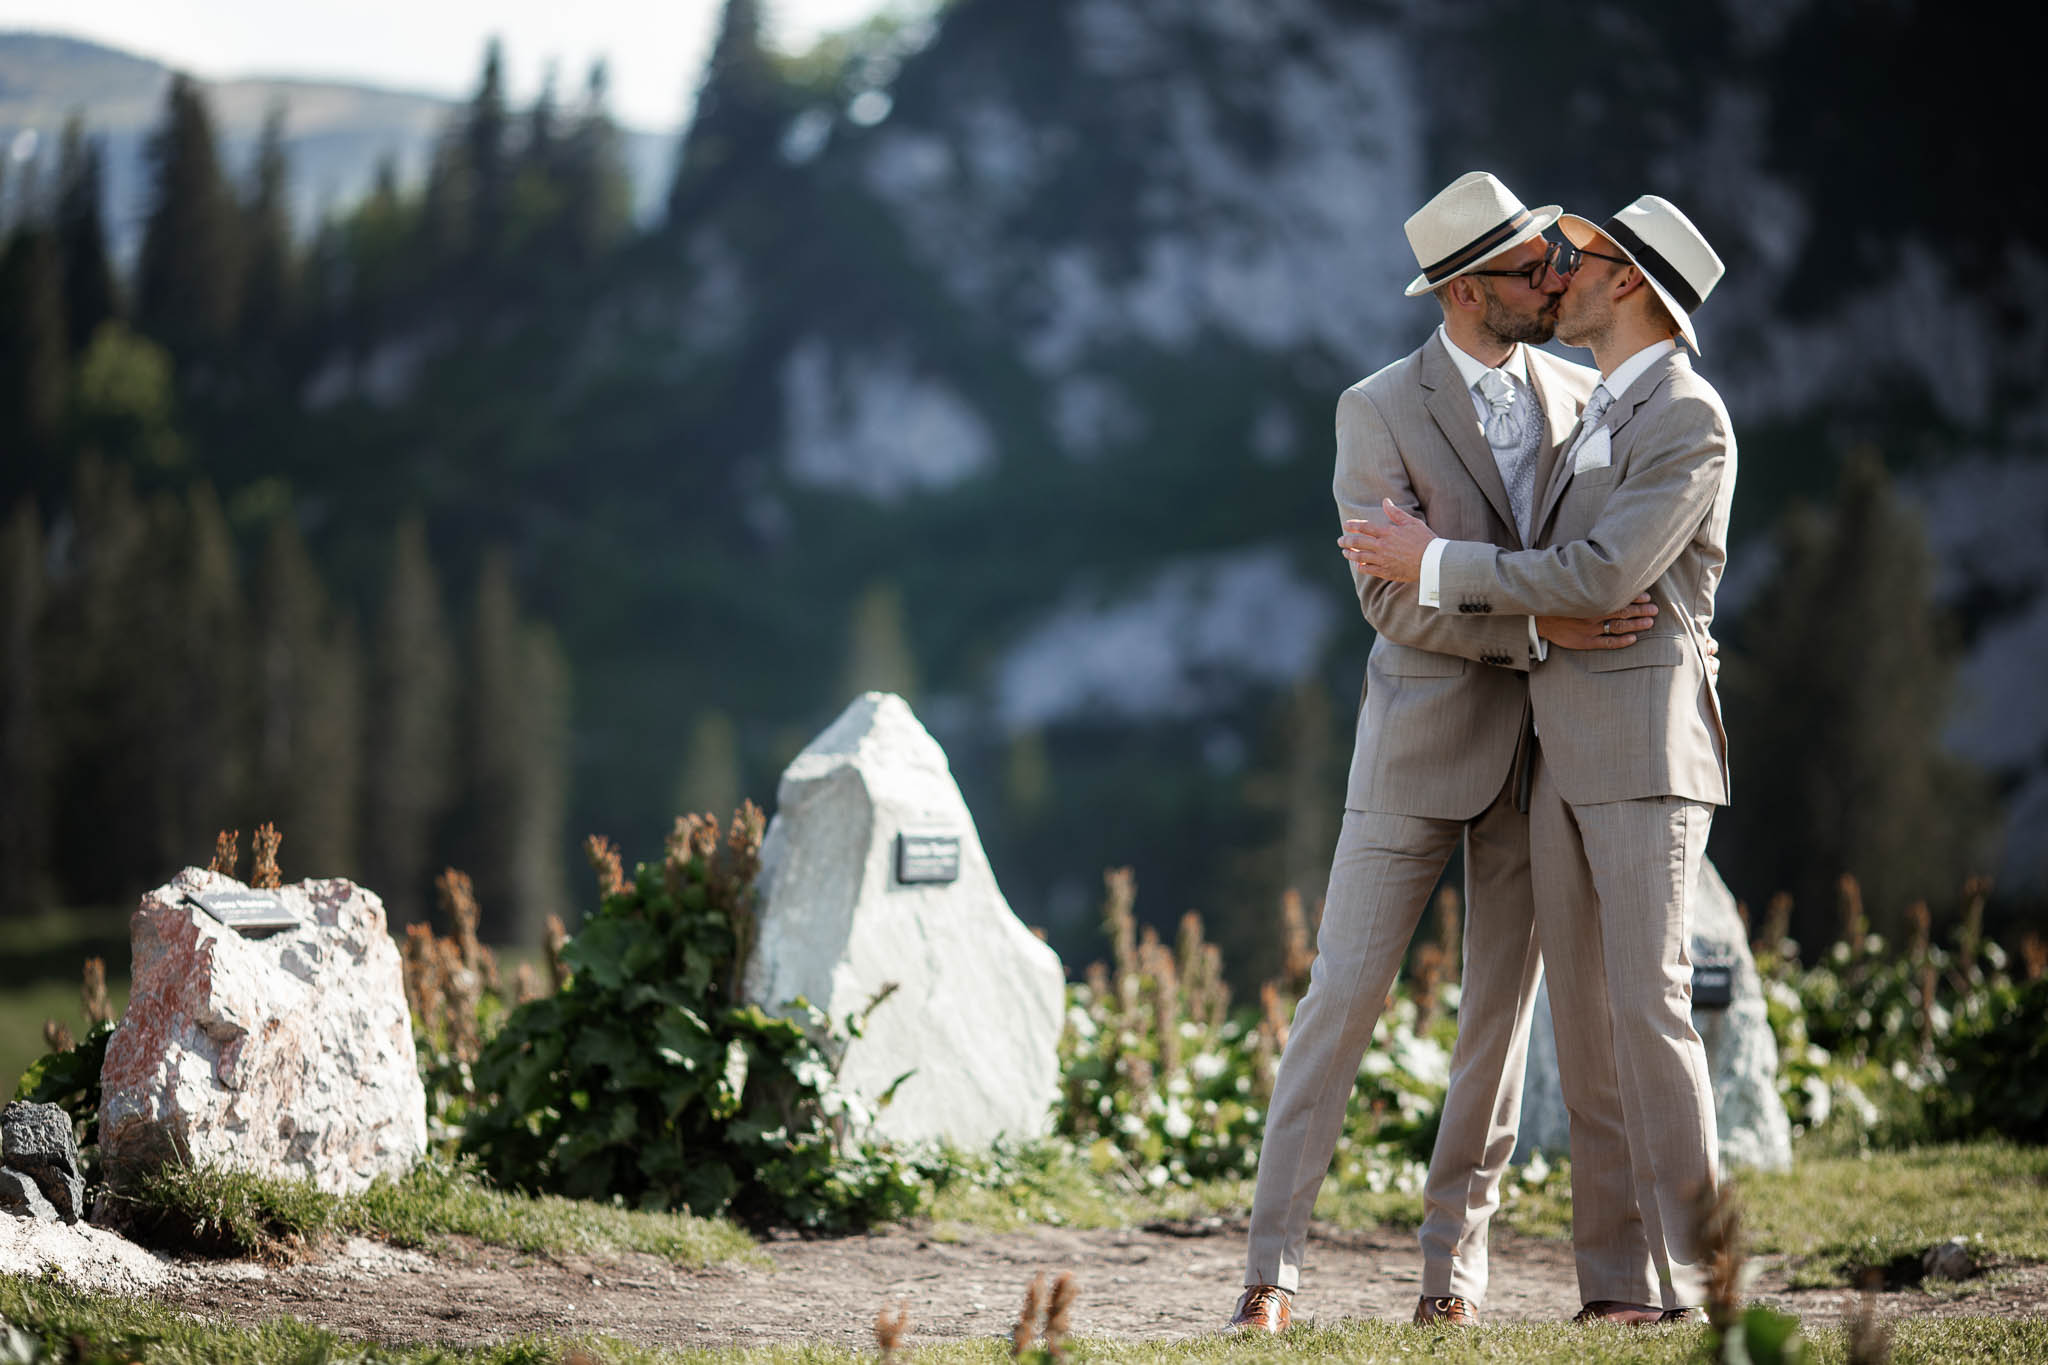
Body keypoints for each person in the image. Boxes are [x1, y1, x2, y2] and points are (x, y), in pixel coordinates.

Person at [1229, 171, 1660, 1335]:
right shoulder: (1373, 407)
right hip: (1414, 749)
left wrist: (1562, 619)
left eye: (1555, 263)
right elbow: (1387, 601)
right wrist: (1537, 625)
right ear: (1470, 292)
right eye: (1533, 269)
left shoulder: (1585, 395)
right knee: (1341, 999)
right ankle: (1270, 1273)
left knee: (1495, 1030)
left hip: (1546, 756)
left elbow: (1596, 556)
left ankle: (1449, 1280)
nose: (1555, 279)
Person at [1341, 194, 1735, 1321]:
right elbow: (1563, 574)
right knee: (1587, 1021)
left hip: (1643, 745)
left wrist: (1434, 560)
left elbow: (1599, 576)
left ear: (1629, 283)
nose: (1556, 268)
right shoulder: (1599, 405)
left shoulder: (1686, 417)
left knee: (1649, 1008)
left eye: (1578, 254)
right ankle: (1615, 1286)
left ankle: (1703, 1284)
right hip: (1557, 749)